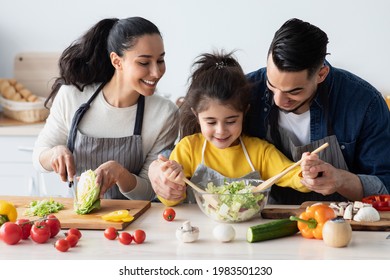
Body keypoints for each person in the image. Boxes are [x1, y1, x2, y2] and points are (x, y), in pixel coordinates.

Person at [149, 18, 390, 205]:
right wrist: (157, 172)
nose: (277, 100)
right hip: (267, 219)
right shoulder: (246, 90)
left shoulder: (363, 102)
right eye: (271, 85)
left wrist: (340, 179)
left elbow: (386, 184)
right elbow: (187, 147)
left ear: (321, 74)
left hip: (342, 221)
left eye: (293, 92)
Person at [32, 17, 178, 200]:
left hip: (136, 221)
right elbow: (38, 157)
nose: (156, 72)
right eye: (144, 63)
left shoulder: (165, 114)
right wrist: (54, 153)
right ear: (117, 61)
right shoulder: (72, 96)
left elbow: (150, 191)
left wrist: (120, 174)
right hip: (79, 220)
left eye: (160, 60)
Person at [157, 51, 313, 206]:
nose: (221, 131)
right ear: (196, 116)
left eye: (231, 121)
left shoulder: (260, 151)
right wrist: (171, 181)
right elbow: (169, 200)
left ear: (244, 113)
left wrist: (307, 172)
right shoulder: (188, 149)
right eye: (211, 122)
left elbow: (293, 175)